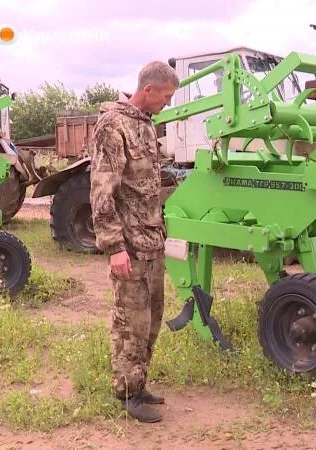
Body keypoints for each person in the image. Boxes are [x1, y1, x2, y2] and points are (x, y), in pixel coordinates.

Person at [89, 61, 178, 423]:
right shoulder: (114, 125)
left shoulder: (145, 125)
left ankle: (139, 384)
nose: (167, 105)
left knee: (151, 320)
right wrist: (115, 247)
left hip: (151, 242)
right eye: (166, 97)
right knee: (130, 322)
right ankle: (126, 393)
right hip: (128, 246)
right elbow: (102, 190)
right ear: (148, 90)